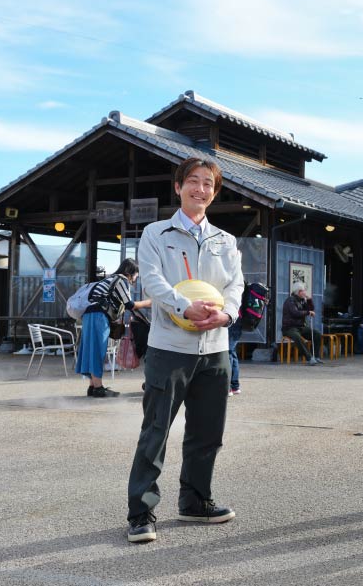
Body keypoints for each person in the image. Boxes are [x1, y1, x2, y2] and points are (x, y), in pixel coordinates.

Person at [126, 156, 244, 544]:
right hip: (169, 347)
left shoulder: (225, 241)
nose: (200, 189)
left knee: (208, 432)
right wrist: (182, 305)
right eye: (193, 181)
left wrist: (225, 317)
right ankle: (141, 512)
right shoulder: (156, 233)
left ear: (215, 191)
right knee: (156, 430)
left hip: (215, 349)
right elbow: (153, 281)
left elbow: (236, 288)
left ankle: (195, 501)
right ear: (178, 187)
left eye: (208, 183)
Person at [77, 259, 151, 398]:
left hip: (89, 314)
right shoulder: (121, 280)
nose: (136, 278)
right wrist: (150, 302)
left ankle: (92, 386)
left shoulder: (110, 278)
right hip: (98, 315)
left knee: (90, 349)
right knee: (98, 349)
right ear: (130, 273)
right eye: (136, 275)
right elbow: (129, 304)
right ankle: (98, 388)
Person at [281, 283, 324, 365]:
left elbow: (311, 309)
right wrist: (308, 312)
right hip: (289, 328)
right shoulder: (290, 300)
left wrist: (309, 300)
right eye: (303, 290)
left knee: (317, 334)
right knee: (298, 338)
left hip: (301, 327)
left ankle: (316, 356)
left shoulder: (302, 300)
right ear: (299, 292)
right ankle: (309, 358)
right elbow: (295, 313)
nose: (305, 292)